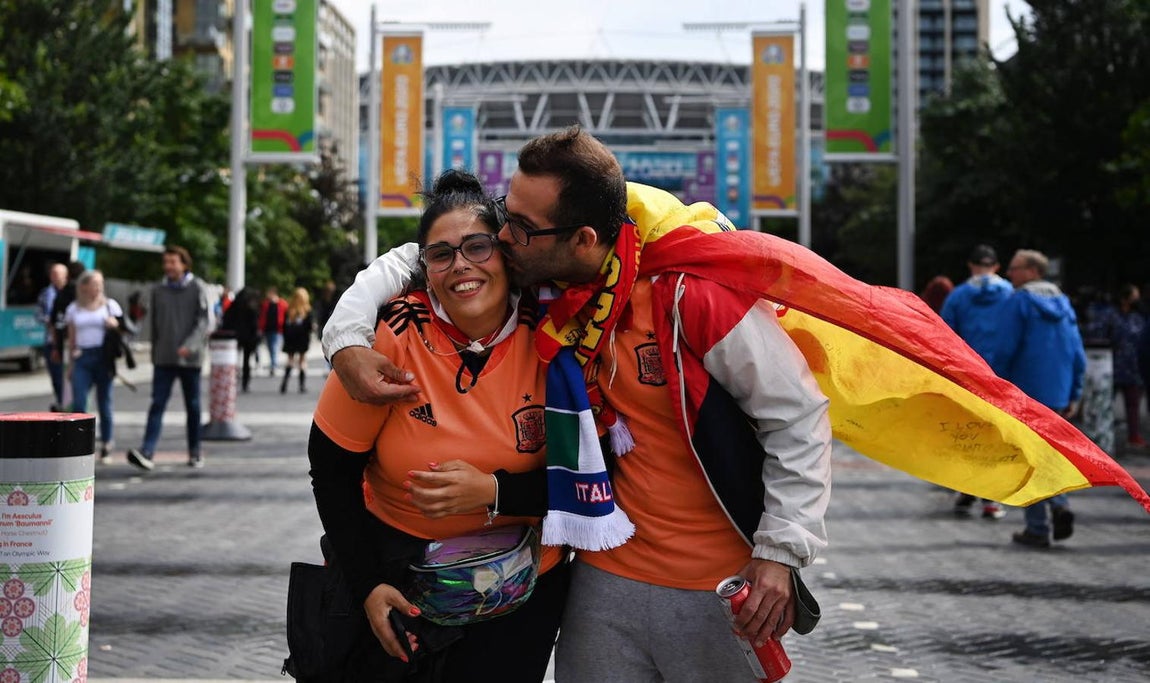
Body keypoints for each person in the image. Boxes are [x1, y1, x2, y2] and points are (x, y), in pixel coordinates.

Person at [323, 127, 832, 681]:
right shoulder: (545, 288)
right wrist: (346, 337)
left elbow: (798, 414)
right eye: (503, 213)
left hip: (713, 583)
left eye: (519, 227)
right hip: (600, 575)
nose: (503, 237)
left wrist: (780, 553)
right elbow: (423, 254)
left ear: (584, 238)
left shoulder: (689, 295)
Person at [308, 169, 566, 681]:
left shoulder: (560, 335)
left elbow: (593, 482)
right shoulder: (392, 336)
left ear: (507, 254)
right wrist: (367, 586)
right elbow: (331, 470)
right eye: (442, 254)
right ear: (424, 269)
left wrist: (493, 492)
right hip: (402, 584)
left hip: (525, 589)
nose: (461, 266)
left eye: (477, 247)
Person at [989, 249, 1086, 549]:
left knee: (1029, 458)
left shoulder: (1018, 302)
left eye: (1015, 268)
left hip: (1024, 392)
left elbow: (1005, 348)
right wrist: (1075, 391)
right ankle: (1060, 504)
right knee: (1049, 455)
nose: (1010, 273)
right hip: (1057, 391)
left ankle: (1037, 527)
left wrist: (993, 385)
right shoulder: (1064, 304)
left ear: (1032, 271)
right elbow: (1077, 353)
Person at [939, 244, 1015, 520]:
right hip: (1003, 377)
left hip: (967, 375)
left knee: (966, 434)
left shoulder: (958, 297)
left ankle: (966, 488)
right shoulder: (1011, 295)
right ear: (996, 266)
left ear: (970, 266)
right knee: (997, 436)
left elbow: (945, 337)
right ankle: (992, 498)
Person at [127, 246, 212, 471]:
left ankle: (195, 451)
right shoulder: (158, 289)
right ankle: (147, 451)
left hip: (189, 359)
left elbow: (203, 322)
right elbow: (149, 321)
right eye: (166, 262)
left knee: (193, 406)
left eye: (173, 262)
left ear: (184, 264)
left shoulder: (197, 288)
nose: (168, 266)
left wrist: (190, 346)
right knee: (157, 404)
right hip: (163, 358)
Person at [64, 270, 124, 462]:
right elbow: (71, 338)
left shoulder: (110, 306)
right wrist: (70, 365)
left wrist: (115, 325)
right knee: (79, 402)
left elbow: (124, 332)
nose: (98, 288)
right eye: (94, 284)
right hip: (82, 356)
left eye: (101, 283)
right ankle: (80, 444)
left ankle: (107, 443)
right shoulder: (74, 309)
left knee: (104, 401)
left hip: (103, 356)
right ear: (83, 286)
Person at [1087, 284, 1146, 450]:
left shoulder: (1136, 318)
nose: (1137, 300)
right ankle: (1104, 436)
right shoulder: (1110, 316)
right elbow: (1097, 335)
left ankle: (1133, 436)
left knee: (1133, 404)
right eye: (1134, 296)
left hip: (1133, 368)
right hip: (1111, 367)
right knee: (1105, 403)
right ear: (1124, 298)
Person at [37, 263, 68, 411]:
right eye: (53, 274)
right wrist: (48, 320)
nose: (56, 278)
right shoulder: (45, 293)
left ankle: (67, 405)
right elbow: (38, 314)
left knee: (66, 378)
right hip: (50, 341)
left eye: (59, 274)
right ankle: (62, 402)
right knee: (56, 377)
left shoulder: (70, 293)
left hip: (66, 342)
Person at [219, 286, 262, 393]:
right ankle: (245, 383)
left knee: (233, 360)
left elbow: (226, 320)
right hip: (248, 338)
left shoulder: (234, 306)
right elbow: (255, 324)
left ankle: (232, 380)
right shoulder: (251, 307)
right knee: (246, 361)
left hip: (235, 337)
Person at [280, 287, 313, 394]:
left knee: (290, 360)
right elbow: (309, 327)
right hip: (302, 339)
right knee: (302, 361)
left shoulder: (289, 310)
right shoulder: (307, 311)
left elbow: (284, 327)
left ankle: (284, 384)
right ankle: (301, 386)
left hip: (290, 339)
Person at [259, 286, 287, 376]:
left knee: (274, 348)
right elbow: (262, 317)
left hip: (278, 330)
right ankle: (273, 364)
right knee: (270, 349)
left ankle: (273, 366)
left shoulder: (282, 304)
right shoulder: (266, 304)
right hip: (267, 330)